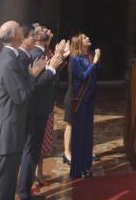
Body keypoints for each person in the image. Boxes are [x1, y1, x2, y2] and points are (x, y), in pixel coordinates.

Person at [0, 21, 46, 200]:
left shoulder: (8, 58)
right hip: (6, 136)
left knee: (0, 185)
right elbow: (21, 96)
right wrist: (33, 75)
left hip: (7, 134)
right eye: (20, 28)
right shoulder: (8, 62)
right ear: (17, 36)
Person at [18, 25, 66, 199]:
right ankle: (24, 189)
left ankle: (28, 183)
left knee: (34, 149)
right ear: (35, 37)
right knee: (30, 149)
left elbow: (49, 74)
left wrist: (58, 60)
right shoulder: (35, 54)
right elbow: (36, 84)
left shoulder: (40, 52)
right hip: (36, 108)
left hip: (40, 107)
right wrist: (52, 67)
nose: (48, 32)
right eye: (43, 31)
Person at [69, 33, 101, 179]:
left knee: (88, 133)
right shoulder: (75, 59)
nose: (88, 38)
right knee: (79, 134)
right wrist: (94, 62)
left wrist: (96, 61)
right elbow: (83, 76)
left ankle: (86, 166)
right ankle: (76, 169)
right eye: (85, 38)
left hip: (90, 98)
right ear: (79, 43)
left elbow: (97, 71)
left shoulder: (89, 55)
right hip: (80, 100)